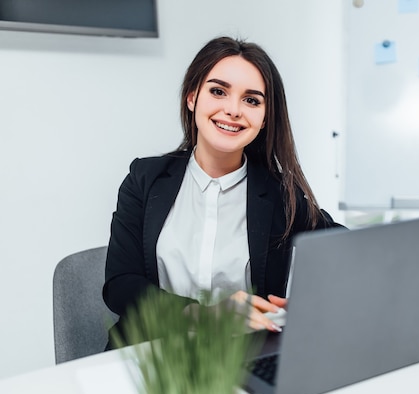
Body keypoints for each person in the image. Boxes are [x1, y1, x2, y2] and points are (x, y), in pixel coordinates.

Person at [103, 36, 343, 349]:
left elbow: (345, 252)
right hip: (152, 357)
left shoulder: (281, 195)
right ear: (192, 98)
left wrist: (306, 304)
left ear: (265, 117)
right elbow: (121, 286)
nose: (233, 110)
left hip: (238, 361)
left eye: (252, 100)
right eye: (218, 91)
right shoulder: (145, 179)